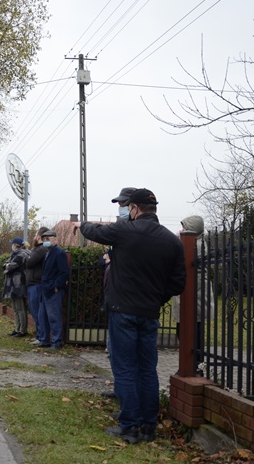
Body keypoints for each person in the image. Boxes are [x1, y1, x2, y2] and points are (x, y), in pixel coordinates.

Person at [73, 188, 186, 444]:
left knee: (124, 368)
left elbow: (95, 232)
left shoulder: (125, 231)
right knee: (147, 370)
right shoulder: (171, 241)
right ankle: (148, 427)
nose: (124, 211)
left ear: (134, 209)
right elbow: (178, 283)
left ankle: (129, 427)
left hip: (122, 310)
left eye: (126, 207)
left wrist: (82, 224)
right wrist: (156, 299)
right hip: (148, 313)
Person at [101, 187, 136, 399]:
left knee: (125, 355)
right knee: (115, 352)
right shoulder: (122, 230)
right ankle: (120, 389)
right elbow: (104, 259)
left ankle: (128, 399)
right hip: (115, 299)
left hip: (128, 302)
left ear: (134, 206)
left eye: (123, 204)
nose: (120, 209)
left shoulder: (131, 230)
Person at [172, 215, 212, 365]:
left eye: (185, 227)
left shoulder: (197, 245)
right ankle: (191, 364)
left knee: (193, 332)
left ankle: (195, 364)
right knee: (184, 330)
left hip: (195, 295)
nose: (182, 230)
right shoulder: (193, 243)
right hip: (189, 294)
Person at [38, 230, 69, 350]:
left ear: (55, 239)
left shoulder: (59, 253)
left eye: (48, 239)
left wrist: (56, 286)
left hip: (53, 290)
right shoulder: (48, 252)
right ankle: (45, 340)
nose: (46, 241)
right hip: (46, 289)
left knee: (54, 316)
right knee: (44, 316)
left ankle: (57, 342)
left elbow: (64, 272)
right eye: (44, 239)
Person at [25, 227, 50, 346]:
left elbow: (29, 262)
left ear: (39, 236)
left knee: (38, 312)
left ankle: (42, 336)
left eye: (35, 234)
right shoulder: (37, 249)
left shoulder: (41, 249)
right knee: (35, 311)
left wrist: (28, 258)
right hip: (32, 283)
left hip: (36, 284)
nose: (34, 237)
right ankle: (39, 335)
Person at [4, 236, 31, 338]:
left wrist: (7, 265)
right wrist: (7, 265)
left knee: (20, 308)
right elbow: (6, 263)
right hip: (13, 284)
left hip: (19, 283)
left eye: (12, 244)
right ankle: (17, 328)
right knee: (15, 307)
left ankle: (22, 330)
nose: (12, 246)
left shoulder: (22, 254)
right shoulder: (15, 254)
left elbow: (11, 265)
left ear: (16, 245)